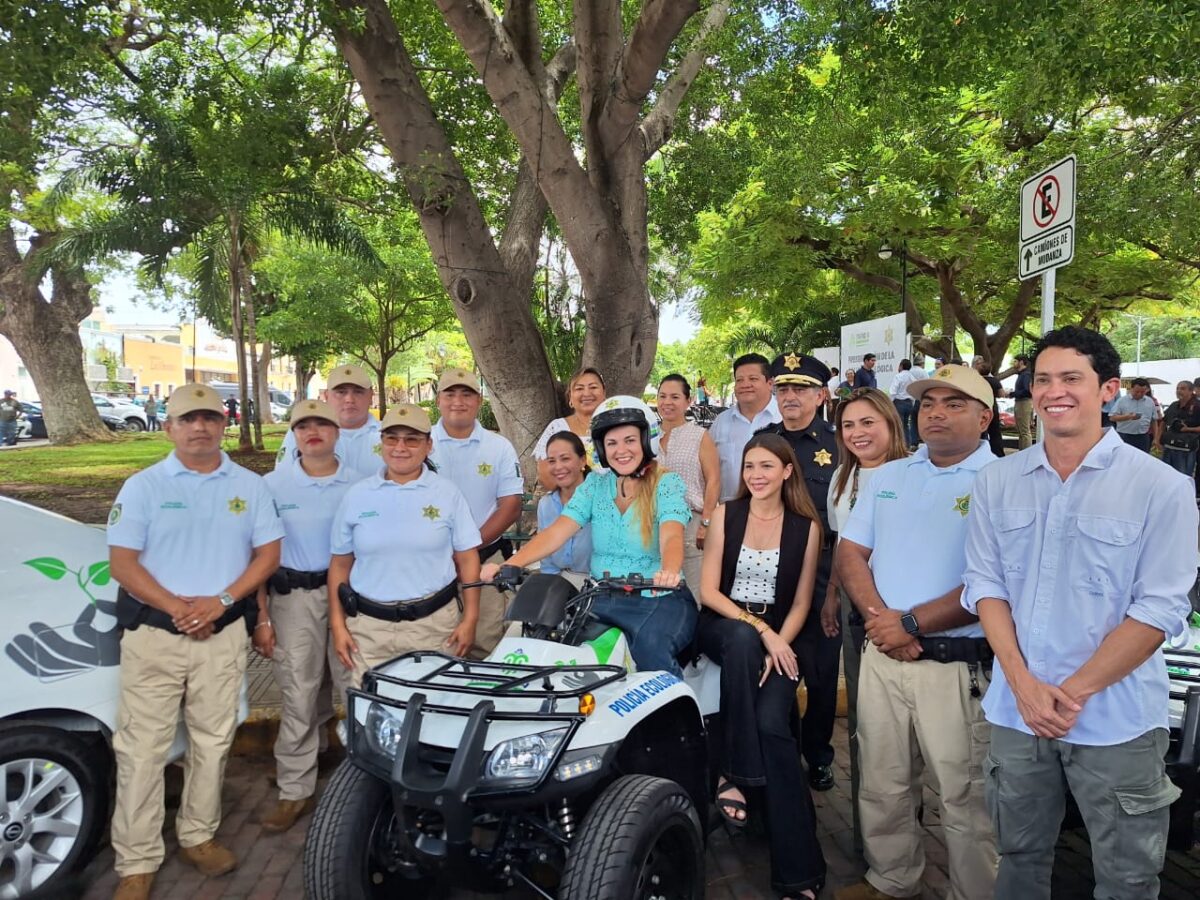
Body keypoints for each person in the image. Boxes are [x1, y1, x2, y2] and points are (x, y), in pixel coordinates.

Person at [963, 326, 1195, 900]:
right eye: (1043, 379)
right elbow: (985, 586)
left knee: (1128, 879)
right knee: (1017, 861)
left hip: (1116, 720)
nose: (1054, 391)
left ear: (1108, 390)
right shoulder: (997, 480)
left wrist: (1069, 694)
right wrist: (1021, 684)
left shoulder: (1161, 487)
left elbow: (1160, 609)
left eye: (1072, 378)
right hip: (1018, 714)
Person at [105, 383, 284, 900]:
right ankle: (136, 862)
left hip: (221, 635)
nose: (200, 427)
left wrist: (222, 602)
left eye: (209, 417)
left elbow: (267, 556)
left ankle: (198, 836)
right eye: (188, 419)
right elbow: (123, 563)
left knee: (212, 740)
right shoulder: (143, 486)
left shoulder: (249, 487)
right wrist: (181, 608)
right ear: (169, 427)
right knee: (142, 749)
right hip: (154, 637)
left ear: (223, 424)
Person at [834, 364, 998, 900]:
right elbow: (851, 552)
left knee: (964, 796)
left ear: (985, 416)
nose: (937, 413)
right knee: (882, 783)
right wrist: (884, 621)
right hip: (885, 656)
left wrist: (907, 624)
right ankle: (892, 880)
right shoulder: (889, 477)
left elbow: (993, 582)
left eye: (954, 403)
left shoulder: (1004, 483)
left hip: (955, 666)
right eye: (928, 404)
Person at [697, 433, 826, 899]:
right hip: (724, 626)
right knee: (739, 636)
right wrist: (761, 630)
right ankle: (737, 770)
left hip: (781, 636)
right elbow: (709, 592)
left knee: (774, 726)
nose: (756, 475)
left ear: (787, 471)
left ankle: (800, 872)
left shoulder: (805, 528)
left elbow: (800, 603)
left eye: (767, 466)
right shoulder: (726, 515)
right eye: (749, 466)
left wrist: (777, 641)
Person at [483, 403, 696, 677]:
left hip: (659, 598)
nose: (621, 450)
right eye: (612, 443)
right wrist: (508, 565)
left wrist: (668, 570)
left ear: (646, 440)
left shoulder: (667, 483)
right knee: (562, 654)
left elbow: (671, 534)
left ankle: (675, 718)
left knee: (650, 650)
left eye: (630, 440)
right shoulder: (595, 484)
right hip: (600, 598)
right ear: (601, 448)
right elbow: (557, 532)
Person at [328, 404, 481, 693]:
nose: (400, 447)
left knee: (435, 712)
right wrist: (338, 625)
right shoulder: (358, 496)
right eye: (392, 438)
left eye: (411, 439)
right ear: (381, 443)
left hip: (434, 627)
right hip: (370, 631)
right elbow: (339, 565)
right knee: (369, 714)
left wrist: (470, 618)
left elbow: (467, 557)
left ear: (428, 445)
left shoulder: (447, 493)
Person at [258, 399, 356, 834]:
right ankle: (294, 788)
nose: (312, 431)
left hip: (350, 597)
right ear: (293, 434)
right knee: (298, 691)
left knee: (355, 686)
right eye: (303, 425)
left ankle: (359, 782)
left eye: (322, 424)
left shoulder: (360, 485)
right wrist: (261, 615)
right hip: (292, 597)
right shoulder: (271, 486)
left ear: (337, 432)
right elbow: (257, 554)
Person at [821, 387, 909, 855]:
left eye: (868, 422)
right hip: (857, 614)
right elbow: (843, 545)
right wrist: (833, 597)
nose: (858, 433)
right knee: (866, 723)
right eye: (848, 425)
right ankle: (871, 846)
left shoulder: (913, 473)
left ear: (891, 423)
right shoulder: (842, 478)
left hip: (906, 614)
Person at [756, 353, 840, 791]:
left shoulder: (839, 443)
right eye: (784, 388)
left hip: (825, 574)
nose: (790, 396)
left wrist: (837, 590)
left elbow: (850, 523)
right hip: (772, 576)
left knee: (822, 675)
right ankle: (781, 750)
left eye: (801, 388)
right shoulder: (763, 440)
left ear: (821, 395)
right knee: (777, 670)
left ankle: (819, 755)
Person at [430, 368, 523, 657]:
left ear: (479, 400)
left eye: (466, 394)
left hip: (485, 563)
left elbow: (511, 505)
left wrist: (467, 549)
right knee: (437, 648)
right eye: (450, 393)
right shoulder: (421, 445)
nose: (458, 401)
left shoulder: (499, 447)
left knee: (484, 644)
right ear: (438, 401)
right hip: (431, 565)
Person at [656, 374, 721, 590]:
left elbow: (713, 480)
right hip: (652, 523)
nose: (667, 402)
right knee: (659, 587)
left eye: (675, 397)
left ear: (688, 400)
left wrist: (706, 522)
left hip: (692, 524)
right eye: (662, 396)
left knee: (695, 590)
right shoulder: (645, 437)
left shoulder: (699, 436)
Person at [277, 364, 381, 479]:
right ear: (326, 396)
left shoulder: (389, 437)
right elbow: (282, 478)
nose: (349, 400)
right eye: (341, 392)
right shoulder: (301, 434)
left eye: (358, 392)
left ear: (371, 395)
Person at [709, 353, 781, 501]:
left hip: (777, 513)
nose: (745, 385)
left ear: (770, 383)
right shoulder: (721, 422)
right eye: (739, 380)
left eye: (753, 379)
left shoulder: (783, 417)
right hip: (730, 512)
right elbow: (709, 469)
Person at [536, 432, 594, 587]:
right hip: (559, 584)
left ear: (582, 460)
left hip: (598, 585)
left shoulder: (600, 498)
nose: (558, 467)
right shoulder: (546, 504)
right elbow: (547, 559)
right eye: (552, 461)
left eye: (565, 459)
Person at [533, 367, 607, 489]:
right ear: (570, 398)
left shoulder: (617, 427)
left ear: (604, 393)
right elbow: (545, 475)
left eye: (593, 387)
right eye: (579, 388)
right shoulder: (557, 428)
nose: (587, 393)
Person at [1157, 379, 1200, 478]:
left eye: (1183, 388)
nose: (1179, 391)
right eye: (1177, 388)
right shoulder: (1173, 405)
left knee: (1182, 477)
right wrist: (1157, 439)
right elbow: (1163, 421)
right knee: (1166, 475)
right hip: (1168, 446)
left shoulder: (1197, 406)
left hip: (1186, 449)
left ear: (1191, 390)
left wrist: (1188, 429)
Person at [1109, 377, 1159, 451]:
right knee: (1124, 459)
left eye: (1142, 392)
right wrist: (1127, 417)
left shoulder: (1150, 402)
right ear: (1131, 389)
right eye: (1137, 391)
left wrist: (1155, 438)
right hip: (1125, 436)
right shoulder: (1122, 401)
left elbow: (1154, 421)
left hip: (1143, 437)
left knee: (1142, 460)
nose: (1139, 394)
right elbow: (1112, 417)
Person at [973, 357, 1007, 458]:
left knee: (981, 431)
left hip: (981, 407)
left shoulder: (977, 381)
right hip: (993, 407)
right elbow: (1002, 394)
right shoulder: (995, 381)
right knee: (995, 431)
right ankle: (998, 452)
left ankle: (981, 452)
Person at [888, 358, 921, 450]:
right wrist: (913, 402)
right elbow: (915, 391)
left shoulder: (898, 376)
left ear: (901, 366)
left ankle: (899, 446)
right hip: (909, 403)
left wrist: (890, 402)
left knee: (898, 425)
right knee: (906, 425)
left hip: (899, 402)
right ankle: (907, 445)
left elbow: (893, 391)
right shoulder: (912, 378)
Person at [1011, 354, 1033, 449]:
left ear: (1021, 362)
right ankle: (1022, 453)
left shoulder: (1026, 375)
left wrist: (1013, 393)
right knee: (1020, 431)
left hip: (1024, 403)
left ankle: (1027, 454)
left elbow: (1027, 391)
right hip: (1020, 402)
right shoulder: (1021, 374)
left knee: (1024, 431)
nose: (1013, 363)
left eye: (1015, 361)